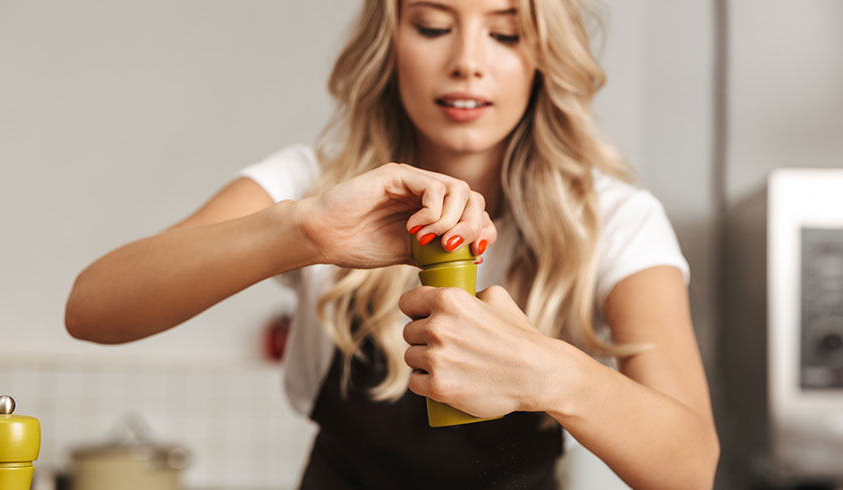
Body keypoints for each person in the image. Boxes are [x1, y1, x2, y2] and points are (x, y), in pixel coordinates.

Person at [64, 0, 719, 488]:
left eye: (505, 32)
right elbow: (92, 309)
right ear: (390, 40)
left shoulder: (615, 220)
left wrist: (551, 374)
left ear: (545, 54)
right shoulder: (308, 187)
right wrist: (301, 232)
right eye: (432, 26)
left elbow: (692, 468)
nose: (467, 61)